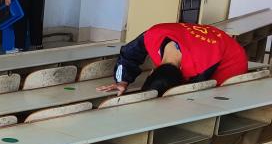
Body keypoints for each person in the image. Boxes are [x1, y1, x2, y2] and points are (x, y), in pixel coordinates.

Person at [98, 22, 248, 97]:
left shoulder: (199, 67)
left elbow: (194, 90)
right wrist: (122, 81)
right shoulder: (153, 35)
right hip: (201, 43)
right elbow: (128, 54)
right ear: (151, 71)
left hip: (231, 60)